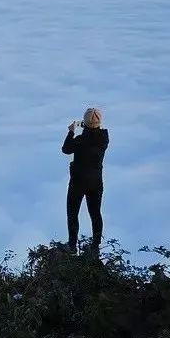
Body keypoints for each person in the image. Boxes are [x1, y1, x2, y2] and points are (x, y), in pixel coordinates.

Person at [61, 107, 108, 254]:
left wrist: (71, 131)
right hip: (96, 182)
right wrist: (88, 125)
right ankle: (95, 247)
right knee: (95, 214)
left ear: (85, 124)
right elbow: (95, 130)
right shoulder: (104, 138)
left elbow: (66, 149)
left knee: (72, 214)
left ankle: (72, 246)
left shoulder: (80, 140)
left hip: (78, 183)